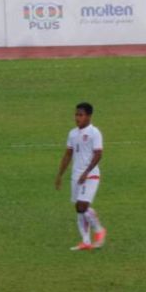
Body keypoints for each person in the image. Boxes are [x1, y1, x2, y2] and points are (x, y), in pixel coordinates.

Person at [55, 102, 107, 251]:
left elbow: (98, 154)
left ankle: (99, 230)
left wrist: (86, 172)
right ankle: (86, 241)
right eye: (76, 114)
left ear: (89, 116)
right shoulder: (72, 134)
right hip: (76, 176)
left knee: (82, 206)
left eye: (81, 115)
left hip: (90, 176)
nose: (77, 118)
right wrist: (60, 175)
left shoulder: (94, 132)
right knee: (79, 209)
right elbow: (68, 155)